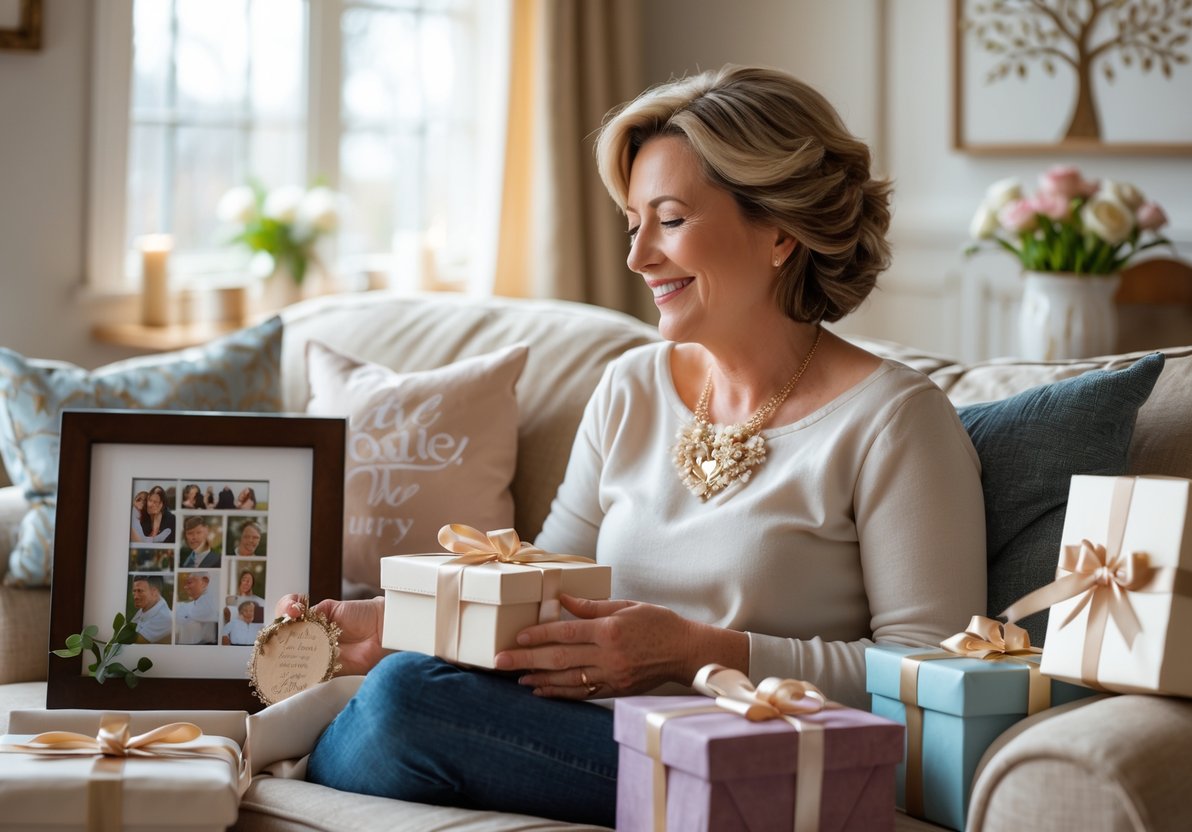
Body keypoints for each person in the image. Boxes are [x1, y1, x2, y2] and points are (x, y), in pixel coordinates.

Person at [280, 65, 985, 826]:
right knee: (403, 680)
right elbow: (542, 593)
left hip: (755, 752)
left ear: (780, 231)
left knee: (401, 702)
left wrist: (696, 652)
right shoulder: (630, 388)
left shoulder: (894, 419)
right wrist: (393, 623)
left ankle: (308, 756)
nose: (637, 256)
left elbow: (935, 677)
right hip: (590, 731)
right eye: (632, 223)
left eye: (670, 220)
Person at [176, 572, 219, 645]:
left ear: (204, 582)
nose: (185, 587)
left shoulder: (209, 605)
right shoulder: (189, 605)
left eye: (189, 582)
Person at [131, 576, 172, 644]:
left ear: (154, 592)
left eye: (140, 591)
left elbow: (135, 642)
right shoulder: (147, 607)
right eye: (134, 591)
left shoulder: (164, 618)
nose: (135, 596)